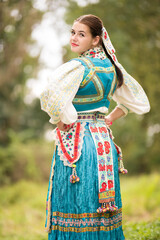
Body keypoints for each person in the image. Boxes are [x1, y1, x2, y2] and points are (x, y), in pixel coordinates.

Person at [40, 14, 150, 240]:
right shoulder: (112, 68)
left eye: (82, 34)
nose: (74, 38)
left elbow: (51, 96)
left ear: (96, 40)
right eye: (73, 32)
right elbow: (138, 102)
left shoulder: (76, 67)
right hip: (103, 142)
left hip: (77, 145)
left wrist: (63, 118)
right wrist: (108, 119)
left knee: (76, 205)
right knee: (100, 208)